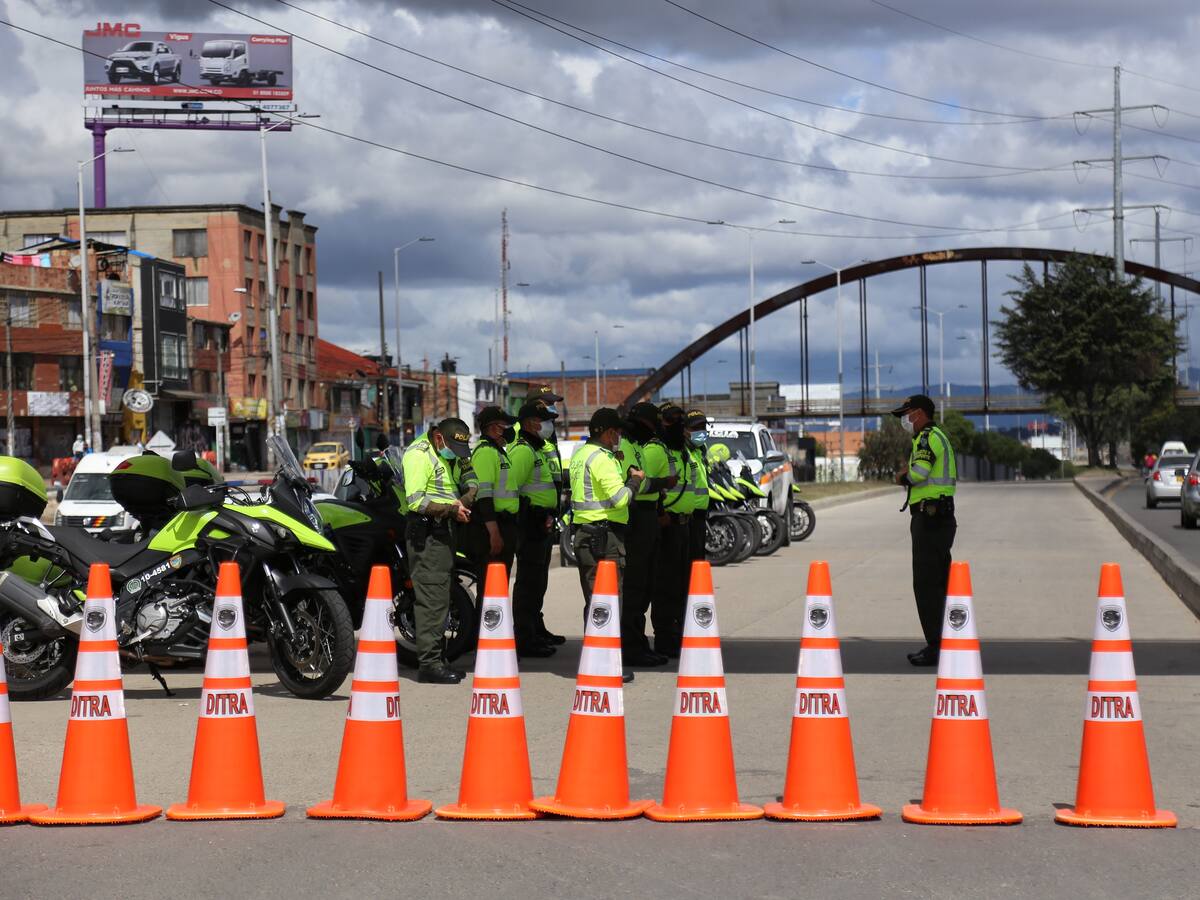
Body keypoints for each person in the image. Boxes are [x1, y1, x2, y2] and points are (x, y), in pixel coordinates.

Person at [401, 417, 473, 684]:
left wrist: (465, 497)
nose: (455, 454)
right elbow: (416, 501)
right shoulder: (418, 455)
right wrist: (453, 510)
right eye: (452, 448)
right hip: (428, 535)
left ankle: (437, 658)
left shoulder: (442, 451)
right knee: (432, 599)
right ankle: (429, 665)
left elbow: (459, 479)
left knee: (441, 597)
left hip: (442, 533)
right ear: (439, 437)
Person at [891, 394, 958, 667]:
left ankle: (936, 646)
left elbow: (918, 474)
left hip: (930, 519)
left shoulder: (926, 437)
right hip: (940, 517)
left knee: (927, 584)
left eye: (907, 415)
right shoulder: (938, 436)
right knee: (941, 583)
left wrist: (900, 476)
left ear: (919, 413)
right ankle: (948, 642)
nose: (905, 420)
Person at [569, 407, 643, 626]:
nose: (619, 438)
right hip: (606, 538)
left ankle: (594, 652)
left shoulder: (581, 454)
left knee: (594, 601)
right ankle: (606, 655)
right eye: (618, 433)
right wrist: (635, 480)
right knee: (609, 601)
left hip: (585, 533)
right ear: (609, 433)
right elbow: (619, 499)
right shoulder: (602, 458)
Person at [618, 402, 676, 666]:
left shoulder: (639, 446)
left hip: (648, 515)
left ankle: (639, 642)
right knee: (635, 585)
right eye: (652, 426)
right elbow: (637, 485)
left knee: (645, 584)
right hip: (637, 515)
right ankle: (631, 646)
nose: (654, 432)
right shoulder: (627, 446)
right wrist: (664, 483)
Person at [509, 399, 560, 658]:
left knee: (538, 583)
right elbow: (510, 491)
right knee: (528, 584)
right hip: (529, 527)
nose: (550, 425)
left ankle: (534, 632)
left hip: (541, 524)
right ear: (530, 423)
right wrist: (535, 516)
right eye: (545, 420)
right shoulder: (523, 451)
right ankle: (524, 637)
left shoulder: (536, 448)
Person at [522, 384, 566, 646]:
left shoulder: (548, 436)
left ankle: (536, 624)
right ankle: (526, 632)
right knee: (529, 579)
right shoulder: (522, 436)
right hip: (531, 519)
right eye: (548, 404)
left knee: (540, 579)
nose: (553, 408)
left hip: (547, 516)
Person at [464, 406, 521, 598]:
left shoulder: (498, 452)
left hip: (506, 525)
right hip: (493, 527)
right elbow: (484, 497)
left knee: (499, 587)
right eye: (506, 425)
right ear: (494, 428)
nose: (509, 429)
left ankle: (496, 627)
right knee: (491, 589)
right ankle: (486, 627)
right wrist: (494, 534)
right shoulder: (486, 453)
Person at [651, 403, 693, 658]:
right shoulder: (657, 451)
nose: (677, 425)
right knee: (665, 585)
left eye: (680, 420)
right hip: (668, 525)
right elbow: (648, 485)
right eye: (670, 421)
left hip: (685, 525)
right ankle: (665, 638)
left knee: (680, 585)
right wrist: (660, 513)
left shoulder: (683, 450)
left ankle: (677, 633)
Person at [684, 409, 711, 562]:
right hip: (688, 517)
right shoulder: (684, 452)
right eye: (695, 428)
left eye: (703, 427)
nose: (701, 432)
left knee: (698, 561)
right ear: (685, 430)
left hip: (700, 516)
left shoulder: (699, 452)